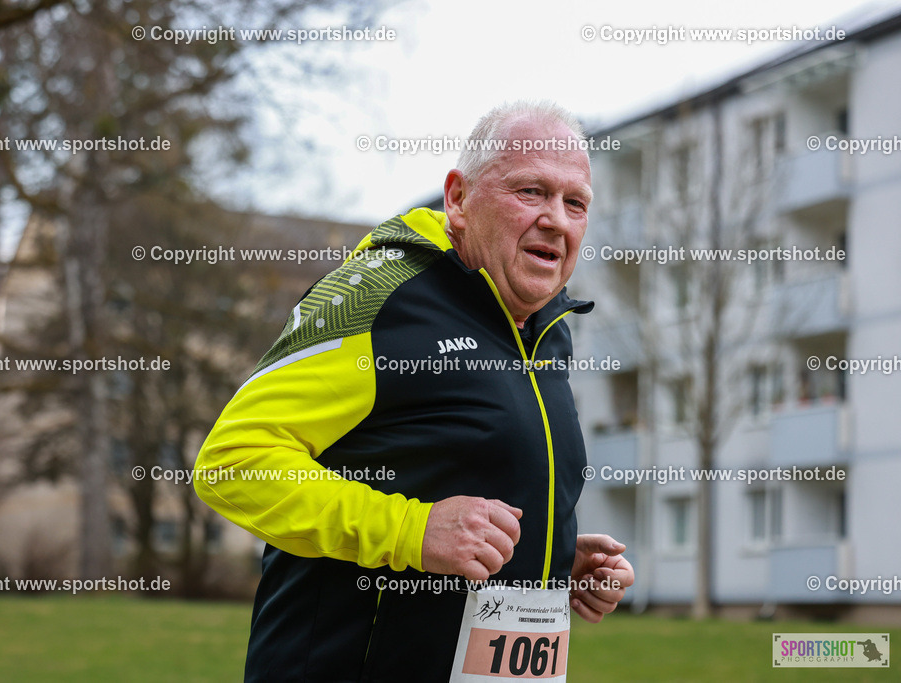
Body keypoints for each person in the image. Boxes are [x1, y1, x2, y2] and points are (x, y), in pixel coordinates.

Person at [194, 101, 634, 681]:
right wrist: (411, 532)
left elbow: (451, 471)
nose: (556, 219)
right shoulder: (377, 298)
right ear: (458, 198)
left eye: (575, 203)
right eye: (531, 191)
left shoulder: (548, 330)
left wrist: (549, 554)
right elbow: (233, 464)